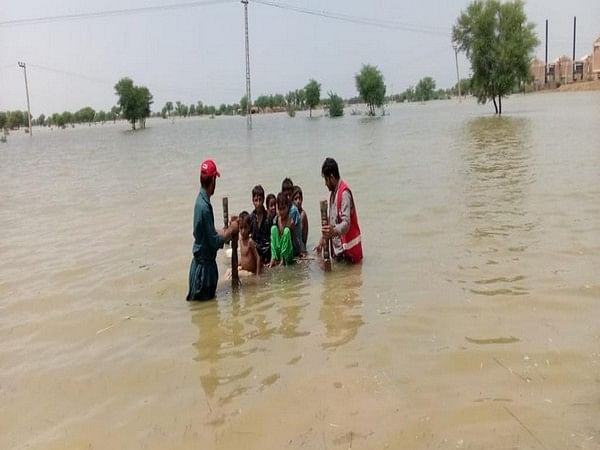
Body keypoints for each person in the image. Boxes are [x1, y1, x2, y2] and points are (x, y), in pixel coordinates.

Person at [186, 159, 238, 301]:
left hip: (198, 267)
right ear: (213, 180)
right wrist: (231, 230)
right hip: (204, 271)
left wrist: (224, 231)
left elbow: (206, 233)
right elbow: (214, 241)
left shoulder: (200, 201)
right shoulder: (205, 207)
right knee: (205, 309)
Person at [317, 157, 363, 264]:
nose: (325, 184)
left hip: (349, 254)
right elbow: (331, 222)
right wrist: (322, 240)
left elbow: (346, 223)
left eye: (326, 180)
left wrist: (333, 231)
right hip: (339, 253)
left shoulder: (344, 194)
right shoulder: (333, 194)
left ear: (331, 177)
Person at [269, 192, 294, 267]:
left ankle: (283, 259)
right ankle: (273, 258)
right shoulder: (276, 219)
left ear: (287, 207)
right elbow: (274, 239)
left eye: (284, 208)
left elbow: (293, 240)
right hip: (279, 251)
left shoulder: (290, 220)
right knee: (273, 228)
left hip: (288, 252)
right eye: (280, 209)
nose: (282, 211)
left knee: (286, 231)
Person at [281, 177, 304, 256]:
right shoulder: (284, 208)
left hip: (295, 247)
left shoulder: (293, 210)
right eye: (285, 195)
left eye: (289, 195)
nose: (288, 197)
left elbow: (287, 231)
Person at [250, 185, 271, 264]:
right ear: (252, 201)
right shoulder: (251, 217)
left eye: (260, 200)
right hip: (256, 253)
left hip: (267, 253)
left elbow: (272, 239)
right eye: (256, 200)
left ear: (263, 199)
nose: (258, 203)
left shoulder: (268, 217)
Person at [238, 211, 261, 275]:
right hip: (243, 269)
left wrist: (257, 275)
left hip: (250, 272)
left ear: (249, 228)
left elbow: (258, 258)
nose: (243, 231)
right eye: (241, 228)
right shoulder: (240, 239)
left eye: (245, 227)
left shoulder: (250, 242)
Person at [292, 185, 309, 252]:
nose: (298, 201)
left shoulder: (303, 214)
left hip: (301, 248)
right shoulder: (290, 214)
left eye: (300, 198)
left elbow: (304, 239)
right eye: (295, 199)